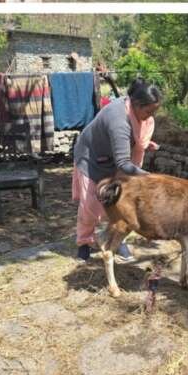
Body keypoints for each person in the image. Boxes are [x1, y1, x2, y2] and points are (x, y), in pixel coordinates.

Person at [71, 80, 161, 263]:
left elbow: (128, 141)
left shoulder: (134, 113)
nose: (152, 116)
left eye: (154, 111)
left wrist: (141, 144)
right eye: (149, 111)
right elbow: (123, 163)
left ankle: (117, 239)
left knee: (121, 202)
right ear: (135, 104)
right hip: (92, 158)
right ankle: (84, 242)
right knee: (90, 206)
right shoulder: (118, 120)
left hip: (113, 158)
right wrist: (151, 179)